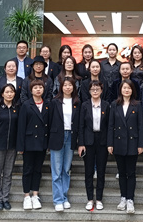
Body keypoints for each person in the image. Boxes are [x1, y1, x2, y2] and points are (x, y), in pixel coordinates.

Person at [107, 80, 143, 214]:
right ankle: (123, 197)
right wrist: (110, 143)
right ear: (120, 90)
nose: (126, 90)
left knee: (131, 173)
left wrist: (141, 144)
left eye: (129, 88)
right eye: (124, 88)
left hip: (133, 143)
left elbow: (141, 126)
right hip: (118, 143)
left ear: (132, 90)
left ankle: (130, 199)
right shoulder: (114, 104)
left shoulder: (137, 105)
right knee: (122, 173)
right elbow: (110, 125)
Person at [17, 79, 50, 210]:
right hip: (29, 142)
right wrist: (20, 146)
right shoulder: (26, 105)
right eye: (35, 88)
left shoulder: (47, 104)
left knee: (38, 169)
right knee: (27, 169)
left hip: (42, 142)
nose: (38, 90)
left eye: (40, 87)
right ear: (31, 90)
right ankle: (26, 195)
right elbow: (21, 126)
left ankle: (35, 194)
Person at [49, 77, 80, 211]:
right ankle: (58, 200)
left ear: (74, 87)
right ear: (61, 87)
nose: (67, 87)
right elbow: (49, 121)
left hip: (71, 137)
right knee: (57, 170)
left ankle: (64, 197)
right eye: (65, 85)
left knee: (66, 170)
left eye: (70, 85)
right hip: (57, 136)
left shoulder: (77, 102)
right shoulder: (54, 102)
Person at [78, 80, 110, 211]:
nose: (95, 91)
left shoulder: (106, 105)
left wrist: (110, 143)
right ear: (89, 91)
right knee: (89, 171)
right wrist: (81, 144)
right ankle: (90, 199)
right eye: (93, 89)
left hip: (102, 141)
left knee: (101, 171)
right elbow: (81, 126)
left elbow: (109, 126)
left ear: (101, 91)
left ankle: (99, 199)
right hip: (88, 141)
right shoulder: (84, 105)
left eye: (97, 89)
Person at [0, 84, 20, 211]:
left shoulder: (17, 108)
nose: (9, 94)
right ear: (2, 94)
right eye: (7, 92)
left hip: (12, 146)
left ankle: (5, 198)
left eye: (11, 92)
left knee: (8, 174)